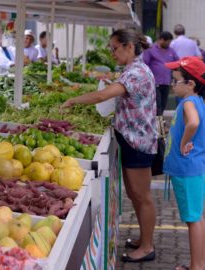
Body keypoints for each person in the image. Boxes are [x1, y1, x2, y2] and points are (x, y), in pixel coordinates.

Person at [61, 29, 157, 263]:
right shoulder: (134, 69)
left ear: (129, 47)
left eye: (114, 48)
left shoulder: (136, 72)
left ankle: (147, 247)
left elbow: (101, 96)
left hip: (139, 142)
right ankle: (144, 239)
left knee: (142, 196)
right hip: (132, 138)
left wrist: (73, 100)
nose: (111, 53)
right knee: (135, 194)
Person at [163, 56, 205, 270]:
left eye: (175, 80)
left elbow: (194, 123)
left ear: (190, 84)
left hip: (188, 170)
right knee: (196, 217)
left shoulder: (189, 102)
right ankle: (198, 264)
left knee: (193, 219)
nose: (172, 85)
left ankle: (197, 266)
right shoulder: (195, 101)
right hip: (193, 169)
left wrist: (183, 142)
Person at [143, 31, 179, 115]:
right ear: (161, 40)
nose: (169, 44)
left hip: (166, 82)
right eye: (168, 42)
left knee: (163, 105)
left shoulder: (171, 51)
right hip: (154, 83)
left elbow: (177, 62)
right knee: (157, 106)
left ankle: (159, 123)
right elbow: (145, 64)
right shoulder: (151, 50)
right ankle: (159, 126)